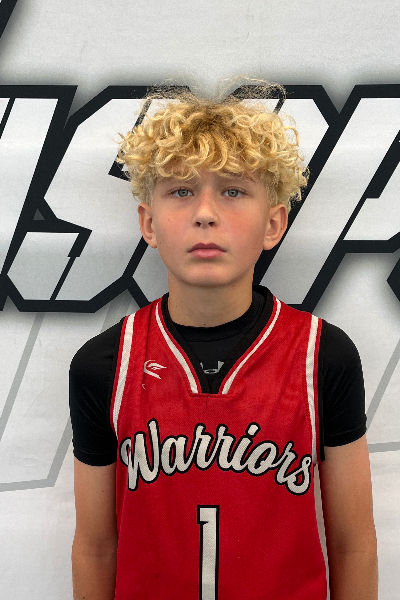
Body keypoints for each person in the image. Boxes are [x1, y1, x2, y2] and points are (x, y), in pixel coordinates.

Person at [69, 83, 378, 600]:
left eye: (233, 191)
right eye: (181, 191)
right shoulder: (105, 364)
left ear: (273, 223)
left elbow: (353, 545)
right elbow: (96, 548)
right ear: (148, 222)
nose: (205, 213)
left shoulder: (322, 355)